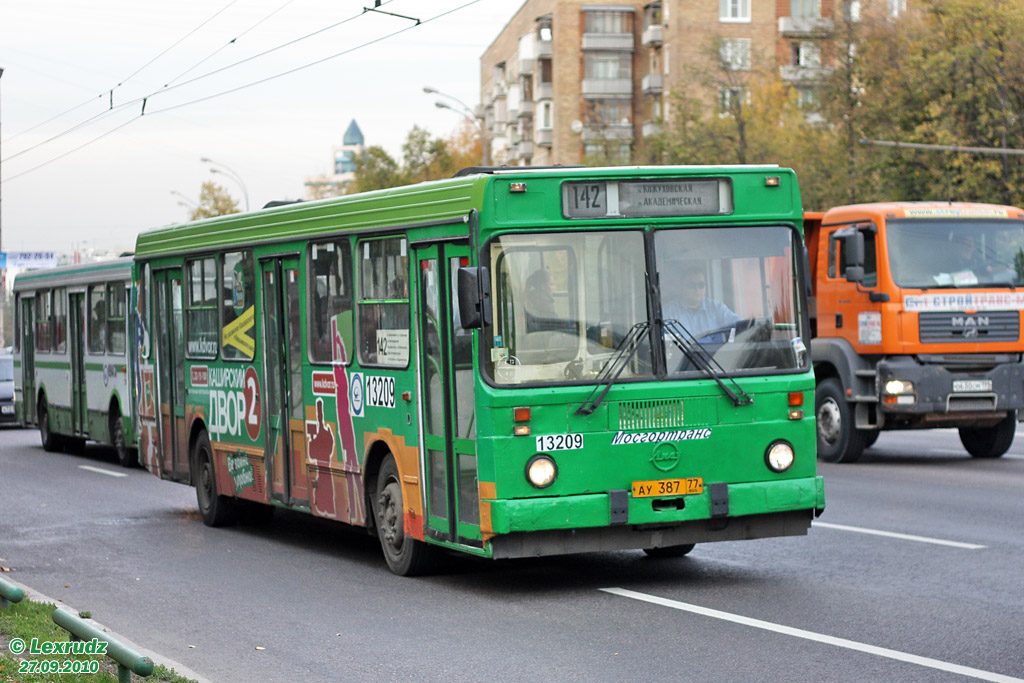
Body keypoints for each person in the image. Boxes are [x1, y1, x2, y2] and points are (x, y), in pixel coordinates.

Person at [663, 265, 741, 341]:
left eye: (701, 285)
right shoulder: (668, 313)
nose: (697, 289)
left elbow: (740, 327)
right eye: (692, 285)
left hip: (715, 354)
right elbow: (667, 342)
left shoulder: (716, 308)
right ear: (681, 287)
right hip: (683, 354)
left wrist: (729, 342)